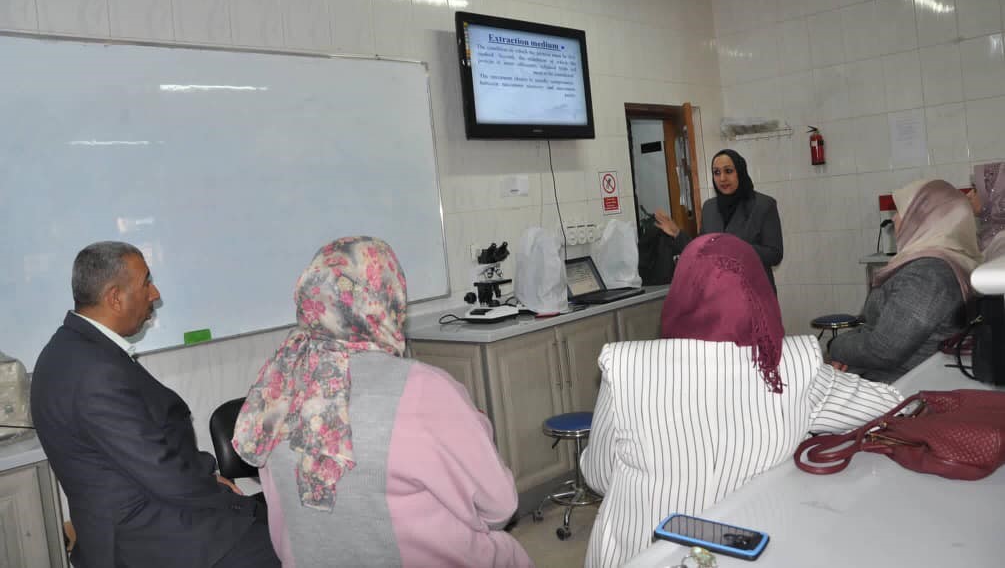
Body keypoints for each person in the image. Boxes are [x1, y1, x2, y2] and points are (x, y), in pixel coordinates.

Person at [580, 233, 902, 568]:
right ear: (759, 294)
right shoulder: (795, 364)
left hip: (639, 554)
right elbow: (891, 406)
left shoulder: (625, 366)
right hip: (749, 555)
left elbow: (599, 476)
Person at [232, 236, 532, 568]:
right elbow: (499, 507)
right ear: (389, 298)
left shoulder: (275, 390)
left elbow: (285, 523)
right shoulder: (425, 390)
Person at [30, 241, 278, 568]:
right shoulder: (95, 371)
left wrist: (206, 479)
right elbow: (162, 472)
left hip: (142, 515)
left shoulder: (67, 349)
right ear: (115, 297)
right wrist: (218, 490)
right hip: (155, 536)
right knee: (292, 546)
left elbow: (143, 458)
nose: (155, 293)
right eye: (146, 282)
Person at [830, 179, 981, 383]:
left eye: (901, 211)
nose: (894, 218)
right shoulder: (952, 260)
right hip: (900, 375)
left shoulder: (928, 275)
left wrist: (835, 346)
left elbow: (883, 351)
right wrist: (850, 355)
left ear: (922, 218)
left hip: (897, 385)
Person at [653, 149, 783, 291]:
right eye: (716, 172)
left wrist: (736, 247)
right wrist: (677, 233)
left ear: (740, 172)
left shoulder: (763, 205)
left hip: (755, 293)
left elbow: (775, 254)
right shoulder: (709, 208)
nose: (722, 178)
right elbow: (702, 250)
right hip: (719, 294)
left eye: (728, 171)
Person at [970, 161, 1005, 254]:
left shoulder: (1000, 244)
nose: (969, 195)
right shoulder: (990, 232)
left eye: (975, 190)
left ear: (995, 195)